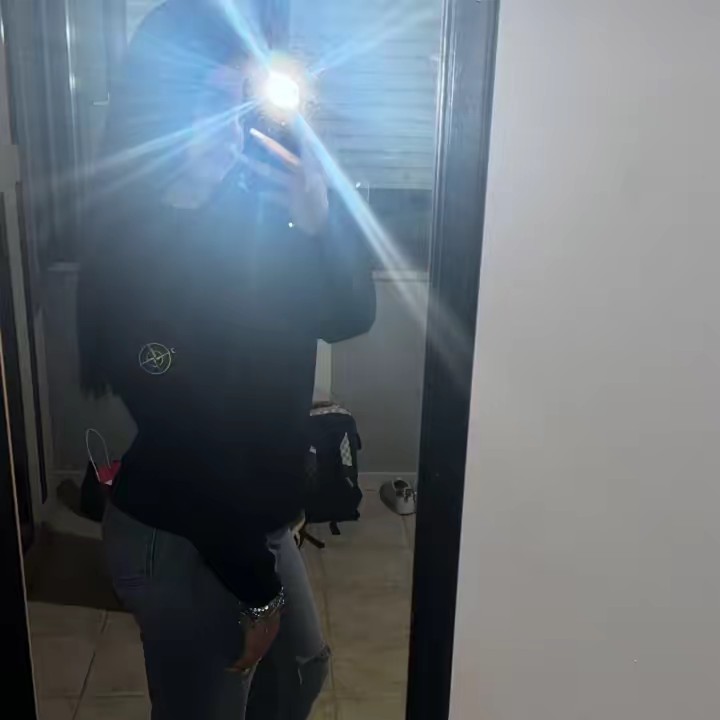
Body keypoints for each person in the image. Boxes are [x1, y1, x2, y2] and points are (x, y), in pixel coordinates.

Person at [76, 2, 376, 719]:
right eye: (214, 100)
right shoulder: (133, 249)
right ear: (160, 109)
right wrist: (256, 590)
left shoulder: (250, 217)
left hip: (255, 517)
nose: (234, 123)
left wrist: (321, 217)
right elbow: (195, 443)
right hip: (185, 533)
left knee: (300, 673)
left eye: (242, 98)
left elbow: (348, 316)